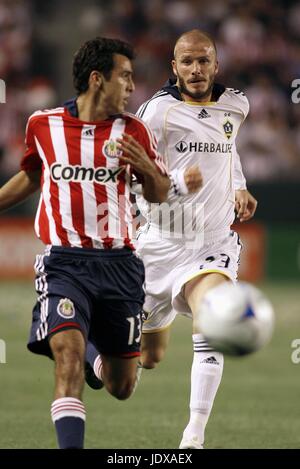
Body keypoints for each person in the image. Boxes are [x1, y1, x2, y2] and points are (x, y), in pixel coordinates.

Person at [0, 37, 170, 449]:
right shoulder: (43, 125)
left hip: (120, 266)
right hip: (64, 263)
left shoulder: (134, 130)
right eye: (125, 76)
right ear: (98, 79)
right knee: (67, 361)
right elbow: (34, 175)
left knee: (121, 386)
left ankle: (99, 358)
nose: (132, 86)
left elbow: (160, 192)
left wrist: (147, 168)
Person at [135, 29, 258, 449]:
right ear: (174, 67)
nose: (196, 69)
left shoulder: (236, 104)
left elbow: (227, 148)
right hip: (160, 243)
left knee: (215, 314)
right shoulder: (155, 113)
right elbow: (136, 182)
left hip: (211, 242)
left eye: (204, 60)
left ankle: (193, 436)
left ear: (216, 64)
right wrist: (177, 185)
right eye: (187, 61)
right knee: (148, 360)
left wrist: (239, 184)